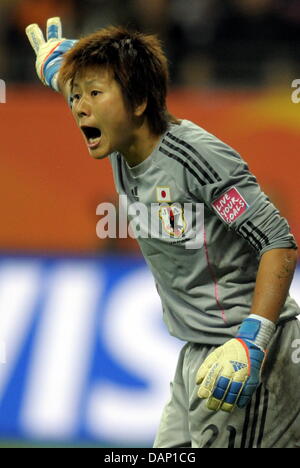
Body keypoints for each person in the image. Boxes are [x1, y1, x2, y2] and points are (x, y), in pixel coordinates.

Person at [25, 18, 300, 448]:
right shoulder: (115, 136)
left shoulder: (196, 159)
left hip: (248, 354)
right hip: (196, 355)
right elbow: (75, 86)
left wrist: (253, 341)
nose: (80, 106)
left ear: (138, 102)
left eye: (93, 94)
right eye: (76, 95)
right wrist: (59, 70)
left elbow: (278, 244)